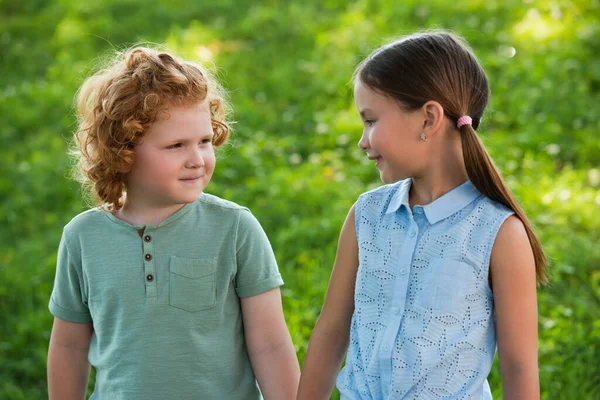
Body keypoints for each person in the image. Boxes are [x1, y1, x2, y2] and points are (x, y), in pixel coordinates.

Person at [297, 31, 547, 399]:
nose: (362, 141)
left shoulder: (499, 233)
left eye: (370, 121)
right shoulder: (366, 216)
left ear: (429, 119)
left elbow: (519, 367)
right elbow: (332, 331)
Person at [47, 46, 300, 399]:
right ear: (124, 150)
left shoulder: (235, 229)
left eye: (205, 141)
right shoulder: (83, 238)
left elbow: (270, 344)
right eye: (176, 145)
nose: (197, 159)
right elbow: (70, 347)